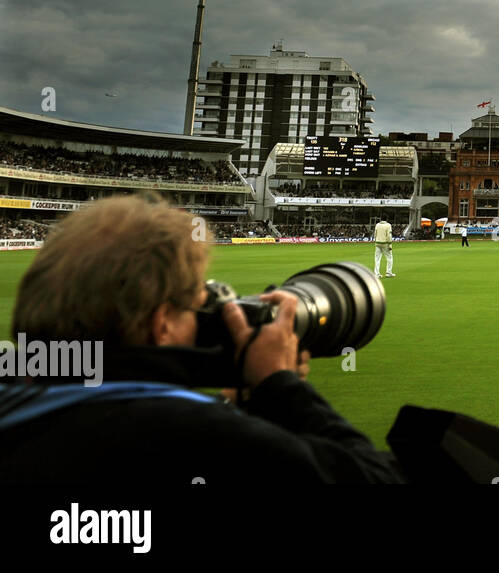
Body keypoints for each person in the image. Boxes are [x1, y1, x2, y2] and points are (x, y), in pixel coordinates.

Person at [0, 193, 403, 483]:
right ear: (161, 324)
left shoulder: (18, 396)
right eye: (199, 300)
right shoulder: (187, 433)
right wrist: (281, 390)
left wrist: (233, 411)